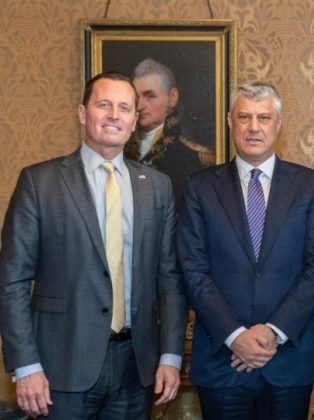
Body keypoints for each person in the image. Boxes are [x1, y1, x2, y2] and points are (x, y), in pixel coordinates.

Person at [0, 72, 188, 419]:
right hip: (59, 368)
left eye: (124, 108)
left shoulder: (157, 187)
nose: (114, 115)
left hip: (136, 368)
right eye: (103, 105)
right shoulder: (39, 182)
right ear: (82, 113)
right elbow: (12, 281)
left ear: (134, 120)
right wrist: (25, 365)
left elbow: (170, 279)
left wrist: (170, 356)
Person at [177, 81, 314, 419]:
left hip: (288, 361)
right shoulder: (200, 188)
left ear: (278, 123)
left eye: (263, 117)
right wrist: (235, 335)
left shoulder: (310, 186)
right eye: (244, 116)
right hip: (222, 361)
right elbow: (193, 270)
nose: (253, 127)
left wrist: (272, 332)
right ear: (229, 121)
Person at [124, 58, 214, 199]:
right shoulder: (119, 147)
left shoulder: (194, 156)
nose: (140, 106)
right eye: (136, 97)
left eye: (150, 96)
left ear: (172, 97)